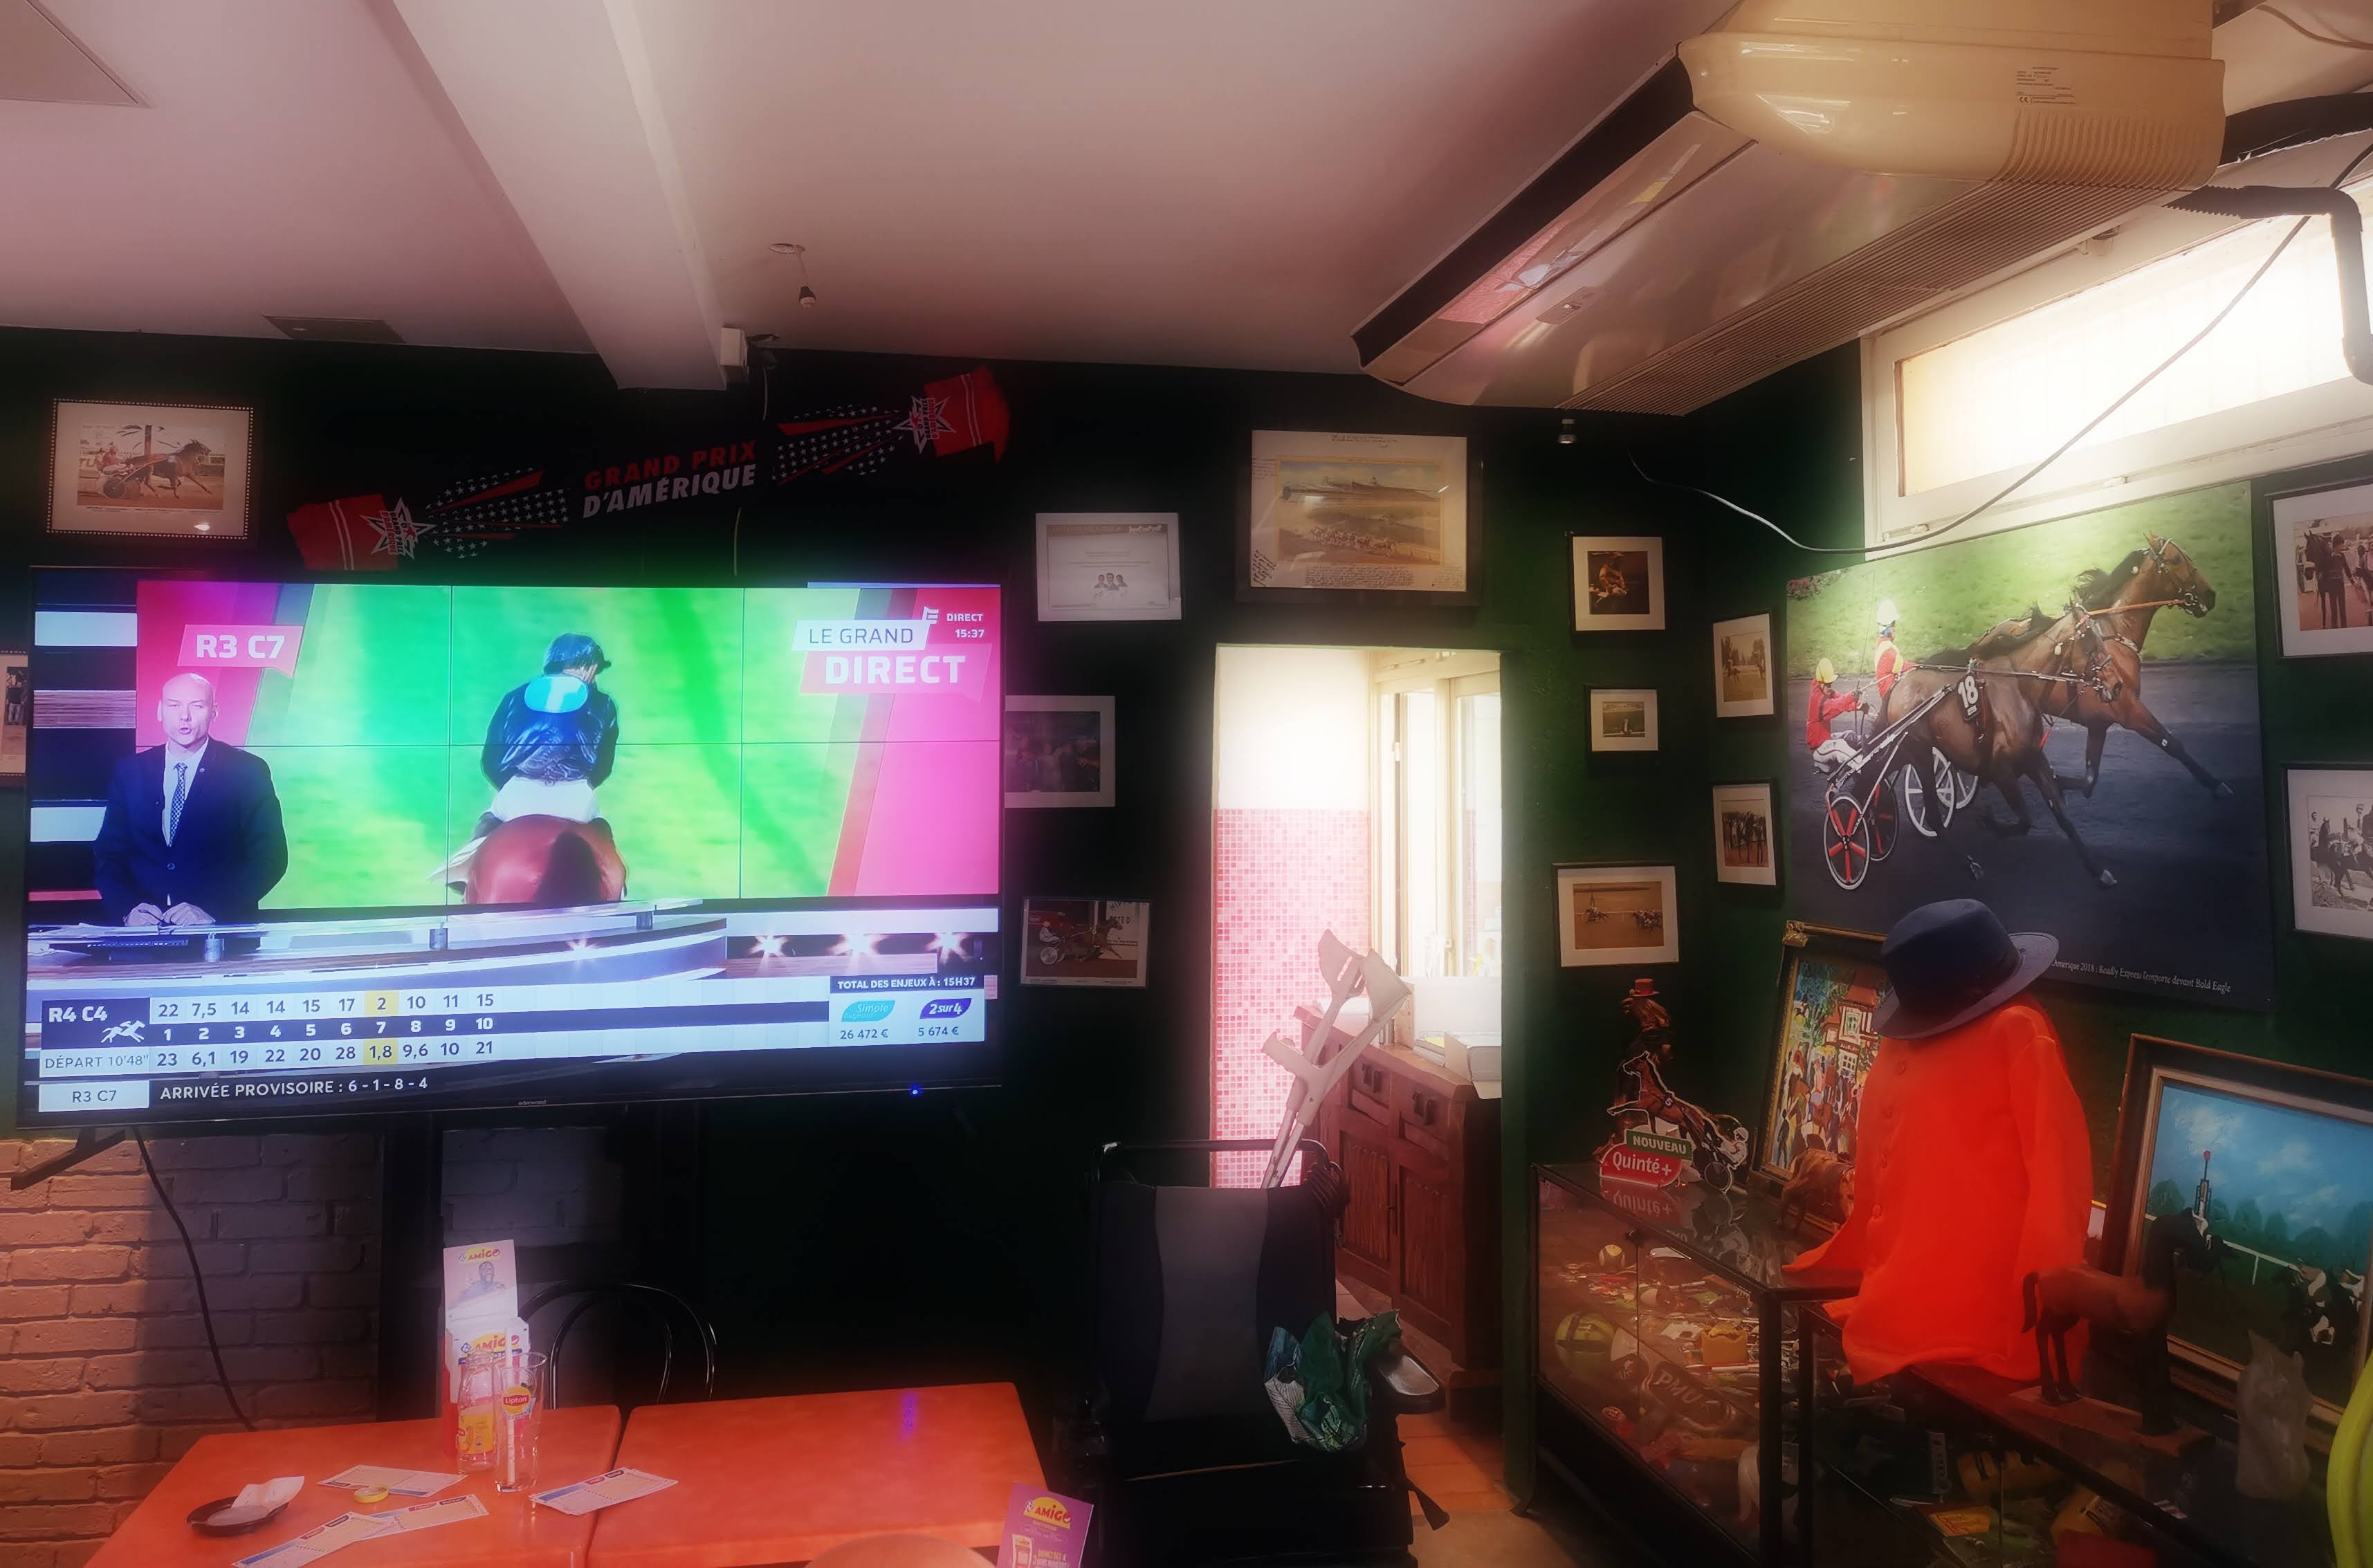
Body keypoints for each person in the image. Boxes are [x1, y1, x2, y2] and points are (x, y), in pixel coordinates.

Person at [1786, 900, 2093, 1384]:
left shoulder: (2016, 1030)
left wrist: (2040, 1301)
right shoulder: (1902, 1038)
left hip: (1985, 1309)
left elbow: (2058, 1180)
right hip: (1902, 1284)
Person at [91, 672, 288, 925]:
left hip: (221, 932)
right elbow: (109, 855)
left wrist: (212, 910)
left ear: (214, 712)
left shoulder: (246, 770)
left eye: (197, 706)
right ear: (160, 711)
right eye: (174, 706)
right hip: (146, 931)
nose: (184, 716)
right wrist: (128, 910)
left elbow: (270, 857)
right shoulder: (130, 772)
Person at [439, 635, 619, 886]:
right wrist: (579, 783)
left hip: (519, 795)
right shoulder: (604, 703)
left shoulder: (514, 697)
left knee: (489, 822)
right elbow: (603, 767)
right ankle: (619, 889)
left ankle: (464, 877)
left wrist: (517, 785)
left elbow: (491, 761)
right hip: (575, 798)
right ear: (588, 667)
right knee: (603, 837)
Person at [1805, 658, 1863, 772]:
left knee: (1850, 735)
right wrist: (1851, 696)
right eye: (1828, 684)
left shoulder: (1825, 690)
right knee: (1840, 745)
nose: (1830, 687)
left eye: (1831, 684)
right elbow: (1835, 706)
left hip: (1826, 739)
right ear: (1821, 683)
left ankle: (1870, 744)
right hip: (1819, 749)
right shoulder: (1817, 700)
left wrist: (1857, 705)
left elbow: (1841, 699)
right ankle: (1863, 766)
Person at [1871, 599, 1906, 709]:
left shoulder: (1881, 643)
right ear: (1888, 628)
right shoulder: (1888, 651)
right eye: (1893, 625)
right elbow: (1906, 668)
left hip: (1889, 691)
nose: (1895, 629)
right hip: (1891, 696)